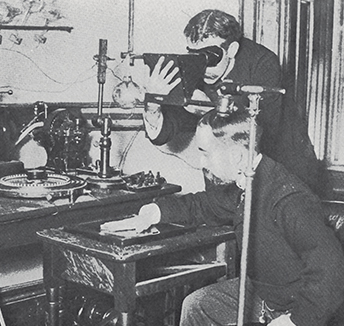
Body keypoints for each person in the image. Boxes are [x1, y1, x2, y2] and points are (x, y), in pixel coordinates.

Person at [102, 105, 344, 326]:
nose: (201, 162)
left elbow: (333, 271)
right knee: (197, 305)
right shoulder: (247, 180)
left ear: (237, 156)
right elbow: (203, 205)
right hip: (265, 293)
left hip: (298, 306)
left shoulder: (288, 200)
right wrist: (152, 213)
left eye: (206, 153)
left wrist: (294, 321)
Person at [143, 9, 323, 196]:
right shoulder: (193, 69)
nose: (202, 66)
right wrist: (153, 103)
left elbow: (260, 131)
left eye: (209, 57)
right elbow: (166, 131)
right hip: (226, 175)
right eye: (194, 56)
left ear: (232, 50)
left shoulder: (262, 62)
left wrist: (208, 110)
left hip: (282, 171)